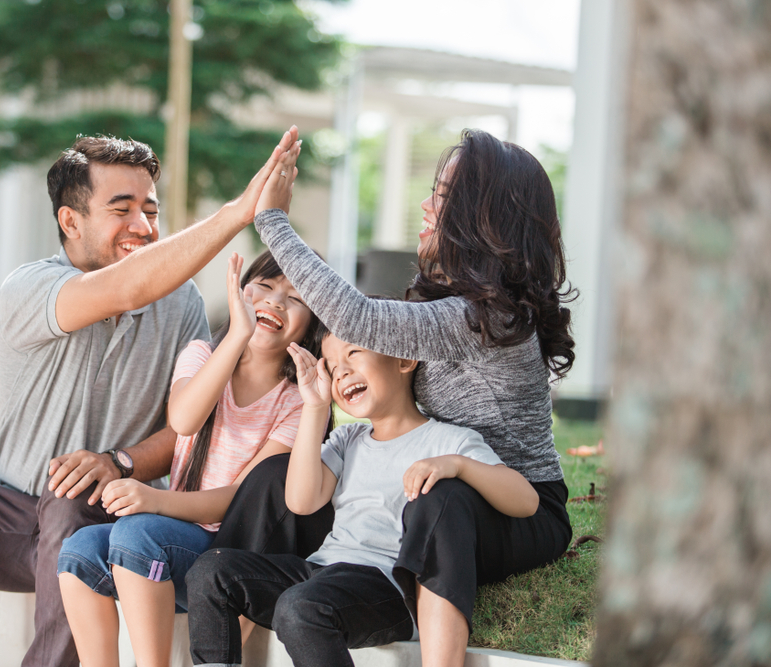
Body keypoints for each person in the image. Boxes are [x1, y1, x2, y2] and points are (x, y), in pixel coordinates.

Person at [0, 128, 302, 667]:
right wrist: (239, 211)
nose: (143, 225)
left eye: (151, 210)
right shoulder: (31, 288)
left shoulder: (179, 302)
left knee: (72, 500)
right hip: (0, 509)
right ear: (71, 220)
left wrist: (121, 462)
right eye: (122, 209)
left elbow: (185, 424)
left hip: (97, 523)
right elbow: (124, 287)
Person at [211, 128, 575, 667]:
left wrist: (272, 219)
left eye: (445, 199)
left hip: (516, 506)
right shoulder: (453, 303)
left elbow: (356, 319)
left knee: (440, 494)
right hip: (431, 479)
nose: (426, 206)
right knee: (275, 477)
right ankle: (235, 617)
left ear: (485, 217)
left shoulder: (490, 319)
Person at [187, 329, 538, 667]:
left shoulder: (448, 440)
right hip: (323, 572)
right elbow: (301, 501)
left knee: (301, 608)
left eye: (354, 352)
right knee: (211, 571)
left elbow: (526, 501)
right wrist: (314, 406)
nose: (342, 372)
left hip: (385, 585)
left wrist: (458, 465)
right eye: (332, 365)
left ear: (404, 359)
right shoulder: (348, 439)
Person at [56, 250, 322, 667]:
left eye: (296, 298)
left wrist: (155, 500)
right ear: (241, 291)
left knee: (137, 534)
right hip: (168, 548)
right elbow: (183, 419)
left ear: (313, 323)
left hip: (226, 548)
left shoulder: (298, 401)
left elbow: (244, 497)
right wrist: (237, 336)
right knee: (79, 551)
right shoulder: (201, 354)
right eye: (265, 287)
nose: (275, 302)